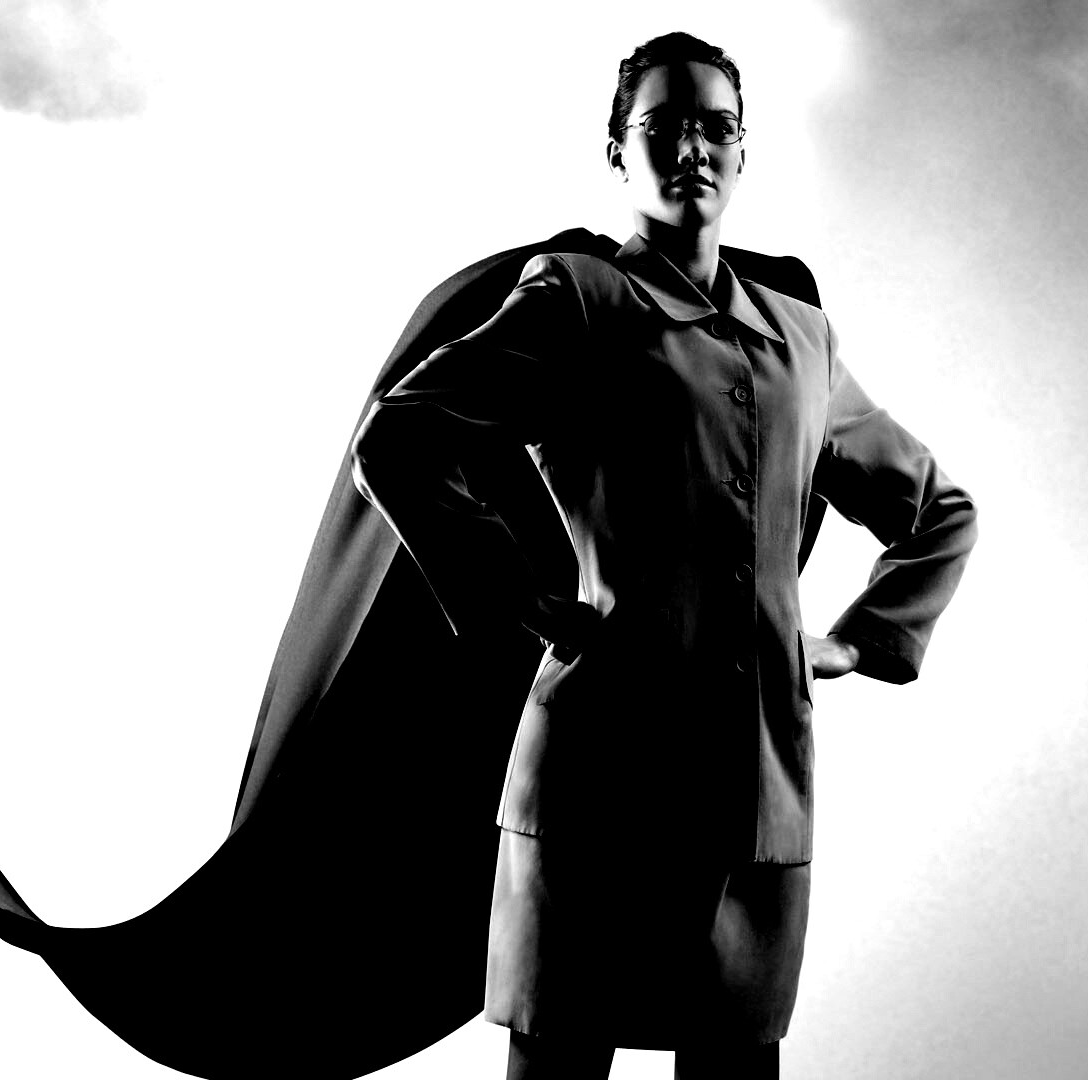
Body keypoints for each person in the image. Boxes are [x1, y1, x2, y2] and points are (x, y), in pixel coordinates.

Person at [350, 31, 977, 1080]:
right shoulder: (577, 300)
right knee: (559, 1067)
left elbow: (939, 509)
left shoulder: (802, 338)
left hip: (754, 793)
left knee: (736, 1069)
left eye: (716, 127)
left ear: (744, 151)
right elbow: (401, 438)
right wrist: (522, 592)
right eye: (665, 125)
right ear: (617, 150)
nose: (694, 148)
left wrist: (861, 642)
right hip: (596, 782)